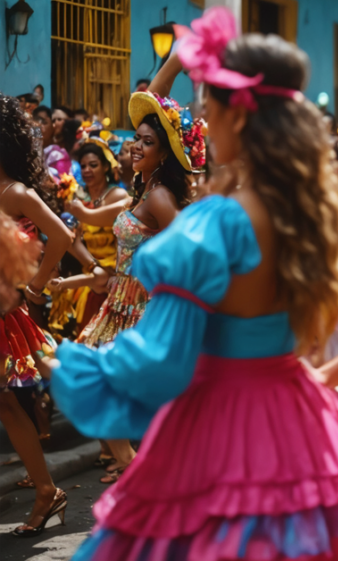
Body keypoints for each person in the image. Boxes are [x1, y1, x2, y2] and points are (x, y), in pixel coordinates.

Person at [50, 6, 338, 560]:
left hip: (214, 426)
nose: (202, 123)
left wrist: (57, 360)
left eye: (207, 109)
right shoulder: (324, 216)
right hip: (304, 421)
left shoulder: (215, 223)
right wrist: (325, 378)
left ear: (237, 117)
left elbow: (157, 363)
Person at [58, 79, 202, 486]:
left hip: (143, 305)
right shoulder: (144, 190)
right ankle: (144, 467)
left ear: (165, 152)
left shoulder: (158, 197)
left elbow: (186, 253)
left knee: (114, 387)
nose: (135, 145)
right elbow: (96, 218)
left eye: (147, 142)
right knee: (102, 384)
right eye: (135, 138)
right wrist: (71, 208)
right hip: (120, 301)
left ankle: (155, 472)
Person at [0, 94, 104, 537]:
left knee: (7, 404)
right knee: (5, 404)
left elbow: (60, 235)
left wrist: (36, 285)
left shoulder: (16, 193)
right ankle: (46, 489)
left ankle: (47, 488)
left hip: (3, 311)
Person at [50, 137, 128, 330]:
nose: (87, 170)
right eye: (83, 166)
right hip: (92, 272)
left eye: (93, 165)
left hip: (118, 274)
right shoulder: (76, 198)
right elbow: (70, 239)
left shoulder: (118, 196)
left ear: (106, 167)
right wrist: (93, 267)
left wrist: (112, 274)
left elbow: (126, 238)